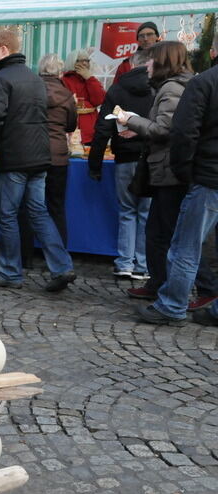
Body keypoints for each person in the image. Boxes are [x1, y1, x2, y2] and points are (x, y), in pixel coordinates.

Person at [117, 41, 218, 311]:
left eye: (150, 60)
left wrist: (132, 121)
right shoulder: (182, 84)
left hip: (177, 172)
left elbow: (170, 130)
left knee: (179, 238)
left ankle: (194, 294)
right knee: (164, 232)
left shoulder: (176, 87)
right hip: (177, 171)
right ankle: (161, 285)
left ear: (162, 62)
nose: (145, 65)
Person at [0, 30, 76, 292]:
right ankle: (62, 266)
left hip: (14, 157)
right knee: (39, 213)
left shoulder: (0, 78)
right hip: (40, 156)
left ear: (4, 49)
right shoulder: (34, 78)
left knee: (7, 215)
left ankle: (10, 272)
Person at [89, 48, 154, 280]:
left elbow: (102, 129)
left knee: (127, 211)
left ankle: (125, 262)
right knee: (145, 212)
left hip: (125, 158)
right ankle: (142, 264)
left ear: (131, 64)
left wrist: (94, 163)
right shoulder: (158, 89)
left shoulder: (117, 89)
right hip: (150, 158)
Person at [19, 53, 77, 268]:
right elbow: (71, 125)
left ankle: (25, 258)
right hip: (58, 156)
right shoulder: (67, 95)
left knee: (27, 207)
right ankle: (58, 258)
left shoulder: (30, 92)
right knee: (56, 207)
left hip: (33, 153)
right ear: (60, 72)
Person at [62, 49, 106, 145]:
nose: (85, 63)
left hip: (91, 131)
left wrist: (89, 78)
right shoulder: (64, 80)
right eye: (81, 61)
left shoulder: (91, 79)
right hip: (70, 130)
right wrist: (87, 104)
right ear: (72, 61)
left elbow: (99, 100)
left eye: (87, 60)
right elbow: (69, 102)